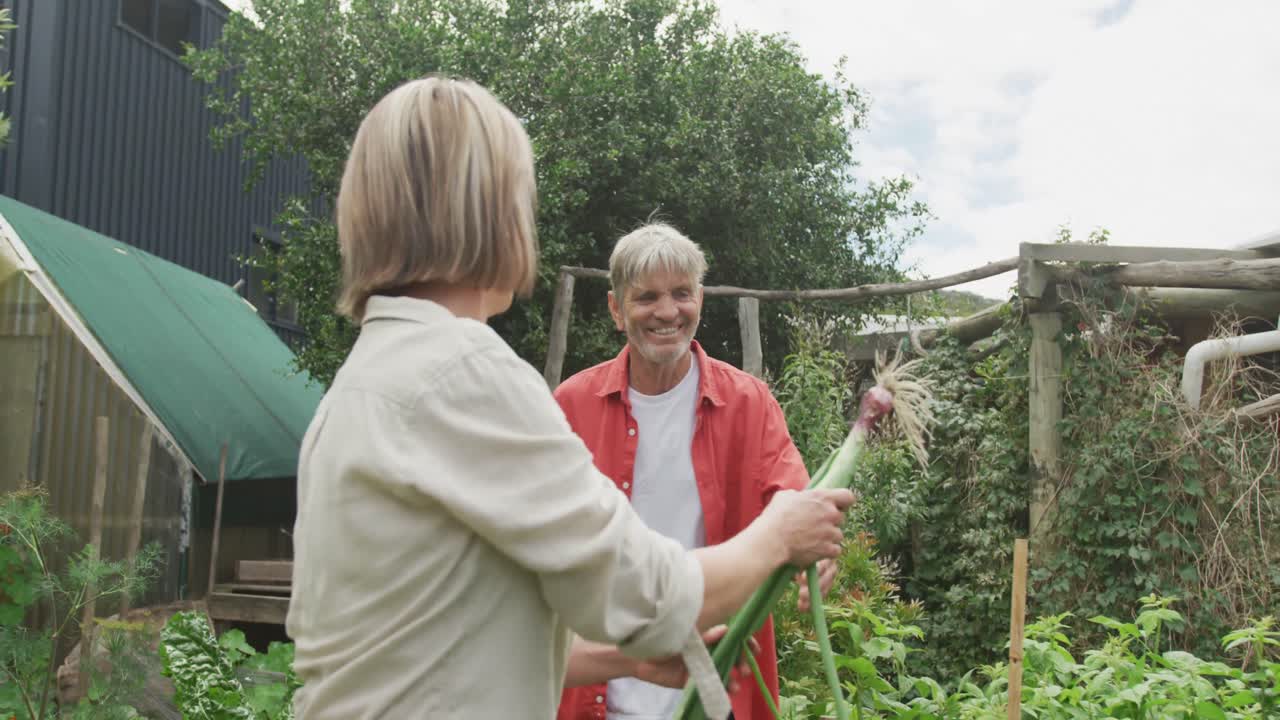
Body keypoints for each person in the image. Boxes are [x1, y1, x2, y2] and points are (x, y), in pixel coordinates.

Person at [284, 76, 856, 720]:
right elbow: (645, 595)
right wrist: (776, 537)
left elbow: (447, 637)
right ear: (491, 212)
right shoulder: (464, 375)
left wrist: (622, 661)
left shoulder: (367, 380)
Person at [555, 223, 837, 720]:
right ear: (617, 310)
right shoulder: (572, 405)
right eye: (646, 297)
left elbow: (794, 497)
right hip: (598, 693)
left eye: (681, 293)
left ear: (700, 300)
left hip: (714, 691)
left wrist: (819, 548)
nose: (667, 311)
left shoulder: (748, 402)